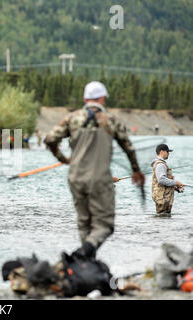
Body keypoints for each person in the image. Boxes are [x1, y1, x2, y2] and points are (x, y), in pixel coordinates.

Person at [44, 81, 145, 258]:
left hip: (75, 177)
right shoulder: (111, 120)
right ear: (102, 99)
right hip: (100, 179)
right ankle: (83, 254)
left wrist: (63, 159)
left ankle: (86, 262)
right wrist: (135, 170)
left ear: (85, 98)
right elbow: (128, 147)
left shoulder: (71, 118)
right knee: (105, 226)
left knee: (84, 223)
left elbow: (50, 139)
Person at [150, 144, 184, 217]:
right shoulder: (160, 164)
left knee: (163, 218)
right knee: (162, 219)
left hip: (163, 197)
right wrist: (176, 182)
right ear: (162, 152)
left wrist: (176, 187)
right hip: (162, 198)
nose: (168, 153)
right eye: (167, 151)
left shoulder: (160, 164)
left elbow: (162, 183)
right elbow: (161, 179)